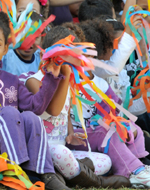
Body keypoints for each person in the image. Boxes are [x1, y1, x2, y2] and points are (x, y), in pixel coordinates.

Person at [0, 11, 77, 190]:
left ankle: (43, 173)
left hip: (12, 134)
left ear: (5, 49)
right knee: (10, 112)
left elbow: (37, 107)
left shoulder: (11, 79)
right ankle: (16, 171)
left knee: (30, 117)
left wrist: (52, 76)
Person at [25, 24, 130, 188]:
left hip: (62, 147)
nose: (66, 62)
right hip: (43, 150)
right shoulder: (34, 81)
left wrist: (71, 133)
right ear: (43, 55)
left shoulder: (69, 82)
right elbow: (53, 110)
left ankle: (64, 173)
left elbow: (65, 112)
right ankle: (98, 182)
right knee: (61, 154)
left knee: (106, 161)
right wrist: (65, 76)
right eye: (61, 55)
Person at [66, 20, 150, 188]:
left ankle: (139, 167)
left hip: (98, 130)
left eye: (91, 56)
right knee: (106, 132)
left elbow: (112, 112)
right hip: (77, 137)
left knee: (131, 127)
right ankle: (132, 170)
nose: (86, 61)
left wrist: (122, 124)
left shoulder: (100, 83)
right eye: (81, 56)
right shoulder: (66, 83)